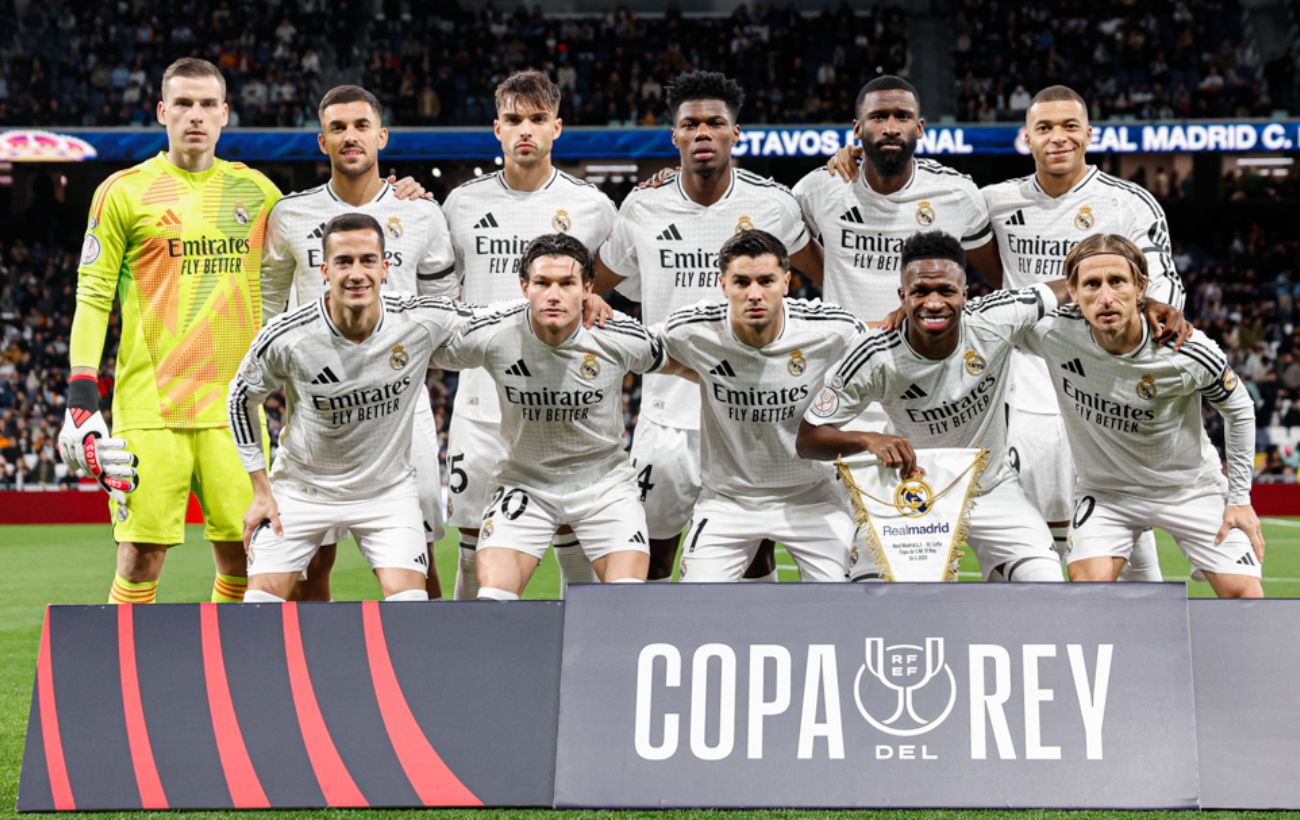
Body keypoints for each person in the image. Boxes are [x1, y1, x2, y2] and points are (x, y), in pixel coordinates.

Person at [797, 231, 1187, 582]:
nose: (934, 302)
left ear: (965, 294)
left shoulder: (995, 318)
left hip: (992, 488)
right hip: (912, 490)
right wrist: (866, 440)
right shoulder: (874, 354)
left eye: (946, 291)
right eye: (920, 292)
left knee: (1046, 585)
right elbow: (808, 438)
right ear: (902, 297)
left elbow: (1072, 285)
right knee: (870, 596)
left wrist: (1146, 302)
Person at [59, 58, 280, 605]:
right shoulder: (123, 192)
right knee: (140, 556)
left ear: (225, 114)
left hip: (235, 408)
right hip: (150, 407)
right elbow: (93, 295)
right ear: (162, 112)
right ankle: (123, 659)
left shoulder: (258, 193)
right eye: (183, 103)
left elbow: (322, 244)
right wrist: (81, 397)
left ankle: (224, 657)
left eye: (207, 104)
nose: (195, 115)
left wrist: (397, 196)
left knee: (247, 555)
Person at [594, 70, 823, 581]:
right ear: (674, 135)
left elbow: (827, 276)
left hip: (753, 411)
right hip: (667, 413)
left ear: (734, 133)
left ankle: (749, 634)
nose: (703, 132)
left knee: (755, 554)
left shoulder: (772, 205)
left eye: (715, 123)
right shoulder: (643, 206)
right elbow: (594, 283)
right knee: (653, 552)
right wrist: (590, 301)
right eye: (690, 124)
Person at [982, 85, 1186, 579]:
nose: (1058, 137)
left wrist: (1154, 318)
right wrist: (854, 162)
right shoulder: (994, 201)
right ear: (1026, 137)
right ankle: (1038, 621)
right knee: (1038, 533)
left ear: (1089, 134)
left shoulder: (1128, 203)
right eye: (1045, 127)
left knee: (1121, 521)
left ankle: (1146, 619)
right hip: (1028, 386)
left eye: (1070, 126)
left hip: (1104, 386)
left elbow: (1163, 287)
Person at [260, 84, 455, 601]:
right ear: (322, 141)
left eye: (361, 126)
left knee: (419, 555)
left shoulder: (421, 213)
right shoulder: (290, 215)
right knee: (310, 562)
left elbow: (443, 312)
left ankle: (424, 654)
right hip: (317, 412)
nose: (350, 136)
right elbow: (268, 309)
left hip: (401, 411)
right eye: (338, 128)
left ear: (381, 136)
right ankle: (313, 657)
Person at [229, 214, 478, 602]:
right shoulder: (288, 335)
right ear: (325, 271)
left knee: (411, 603)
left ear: (385, 268)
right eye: (344, 262)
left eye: (367, 260)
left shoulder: (417, 318)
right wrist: (261, 490)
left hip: (386, 493)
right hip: (302, 490)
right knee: (260, 603)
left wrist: (565, 305)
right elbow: (240, 398)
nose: (356, 273)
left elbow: (491, 321)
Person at [442, 70, 617, 600]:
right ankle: (474, 641)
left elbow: (610, 286)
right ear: (496, 128)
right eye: (513, 119)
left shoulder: (592, 206)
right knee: (471, 537)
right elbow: (443, 296)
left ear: (556, 127)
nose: (526, 130)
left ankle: (581, 642)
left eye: (538, 119)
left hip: (564, 397)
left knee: (572, 530)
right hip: (481, 400)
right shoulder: (460, 204)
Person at [435, 234, 688, 600]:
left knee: (627, 604)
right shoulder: (493, 332)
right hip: (525, 484)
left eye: (567, 283)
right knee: (493, 602)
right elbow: (421, 350)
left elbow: (688, 363)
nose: (553, 295)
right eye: (542, 283)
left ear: (588, 288)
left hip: (604, 487)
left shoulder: (617, 334)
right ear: (524, 286)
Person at [1020, 234, 1263, 597]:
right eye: (1092, 284)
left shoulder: (1186, 350)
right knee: (1087, 591)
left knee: (1245, 597)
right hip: (1108, 494)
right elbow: (986, 324)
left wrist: (1240, 499)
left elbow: (1240, 409)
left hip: (1189, 489)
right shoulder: (1053, 332)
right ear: (1072, 291)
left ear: (1140, 288)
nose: (1105, 297)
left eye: (1117, 281)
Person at [660, 230, 865, 581]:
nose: (754, 294)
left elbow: (882, 350)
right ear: (723, 285)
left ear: (786, 282)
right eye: (741, 282)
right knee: (695, 603)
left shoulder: (830, 328)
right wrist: (592, 310)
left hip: (812, 497)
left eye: (766, 281)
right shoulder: (692, 328)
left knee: (844, 600)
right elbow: (632, 347)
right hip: (727, 502)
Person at [799, 74, 999, 325]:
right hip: (846, 347)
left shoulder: (958, 193)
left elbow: (998, 277)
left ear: (920, 128)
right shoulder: (819, 188)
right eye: (878, 116)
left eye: (903, 116)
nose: (891, 128)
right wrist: (832, 276)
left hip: (926, 347)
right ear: (857, 129)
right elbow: (786, 241)